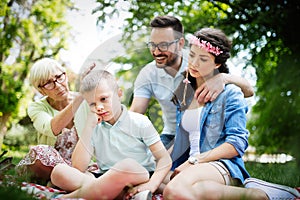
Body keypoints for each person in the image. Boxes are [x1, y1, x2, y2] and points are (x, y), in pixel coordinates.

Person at [162, 27, 300, 200]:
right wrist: (161, 161)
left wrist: (194, 161)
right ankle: (256, 195)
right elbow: (182, 139)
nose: (194, 63)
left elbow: (236, 143)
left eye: (203, 58)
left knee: (173, 191)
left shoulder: (230, 93)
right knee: (144, 178)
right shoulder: (184, 93)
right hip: (191, 167)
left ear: (217, 64)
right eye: (192, 55)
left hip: (219, 165)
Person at [130, 15, 254, 150]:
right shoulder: (148, 74)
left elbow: (247, 91)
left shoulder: (199, 60)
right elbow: (136, 113)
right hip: (173, 134)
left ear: (180, 43)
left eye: (164, 45)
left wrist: (223, 78)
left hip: (205, 135)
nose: (156, 51)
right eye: (152, 44)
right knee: (148, 163)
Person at [50, 69, 172, 200]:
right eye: (92, 104)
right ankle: (118, 193)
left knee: (127, 165)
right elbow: (78, 167)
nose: (99, 107)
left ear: (119, 94)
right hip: (105, 176)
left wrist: (152, 184)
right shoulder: (94, 127)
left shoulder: (139, 122)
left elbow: (164, 159)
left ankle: (72, 196)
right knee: (58, 172)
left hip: (138, 174)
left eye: (104, 99)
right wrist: (89, 127)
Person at [16, 58, 85, 184]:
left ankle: (73, 181)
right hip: (50, 167)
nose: (58, 85)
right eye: (48, 83)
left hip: (79, 165)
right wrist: (80, 97)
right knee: (39, 152)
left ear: (66, 76)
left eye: (59, 77)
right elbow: (52, 128)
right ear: (41, 90)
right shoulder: (36, 107)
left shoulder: (85, 101)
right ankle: (68, 181)